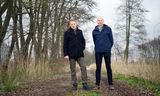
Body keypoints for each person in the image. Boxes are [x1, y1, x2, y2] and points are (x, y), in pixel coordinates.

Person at [63, 19, 91, 91]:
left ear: (76, 24)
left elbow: (83, 41)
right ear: (70, 25)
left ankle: (85, 84)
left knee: (84, 67)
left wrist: (82, 48)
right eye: (71, 24)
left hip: (79, 54)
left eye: (74, 24)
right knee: (73, 70)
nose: (73, 25)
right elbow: (65, 44)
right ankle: (74, 85)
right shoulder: (67, 33)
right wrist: (66, 54)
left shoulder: (80, 31)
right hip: (71, 54)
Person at [92, 16, 114, 90]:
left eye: (101, 20)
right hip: (98, 52)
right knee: (98, 68)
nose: (100, 21)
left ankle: (110, 84)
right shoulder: (94, 31)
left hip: (107, 51)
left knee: (108, 67)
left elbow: (111, 40)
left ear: (103, 21)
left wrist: (108, 48)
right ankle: (97, 84)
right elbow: (94, 41)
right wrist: (98, 47)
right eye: (98, 20)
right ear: (97, 21)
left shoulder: (108, 29)